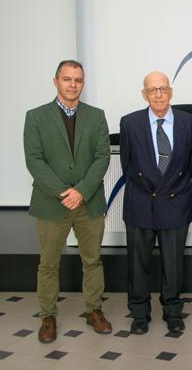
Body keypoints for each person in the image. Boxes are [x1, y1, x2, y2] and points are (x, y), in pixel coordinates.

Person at [23, 60, 112, 343]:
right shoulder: (36, 117)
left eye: (78, 80)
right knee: (48, 264)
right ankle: (48, 316)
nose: (73, 84)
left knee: (93, 261)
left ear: (83, 84)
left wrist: (81, 191)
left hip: (89, 203)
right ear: (56, 82)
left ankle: (94, 310)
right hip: (52, 204)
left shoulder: (96, 116)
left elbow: (102, 157)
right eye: (67, 79)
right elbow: (34, 160)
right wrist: (64, 192)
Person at [119, 71, 192, 334]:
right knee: (137, 263)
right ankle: (140, 312)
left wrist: (169, 187)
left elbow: (190, 164)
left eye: (163, 89)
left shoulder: (189, 122)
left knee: (173, 264)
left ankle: (173, 311)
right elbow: (128, 165)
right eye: (152, 90)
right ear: (144, 94)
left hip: (175, 200)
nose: (158, 94)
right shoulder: (129, 123)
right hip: (140, 201)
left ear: (171, 92)